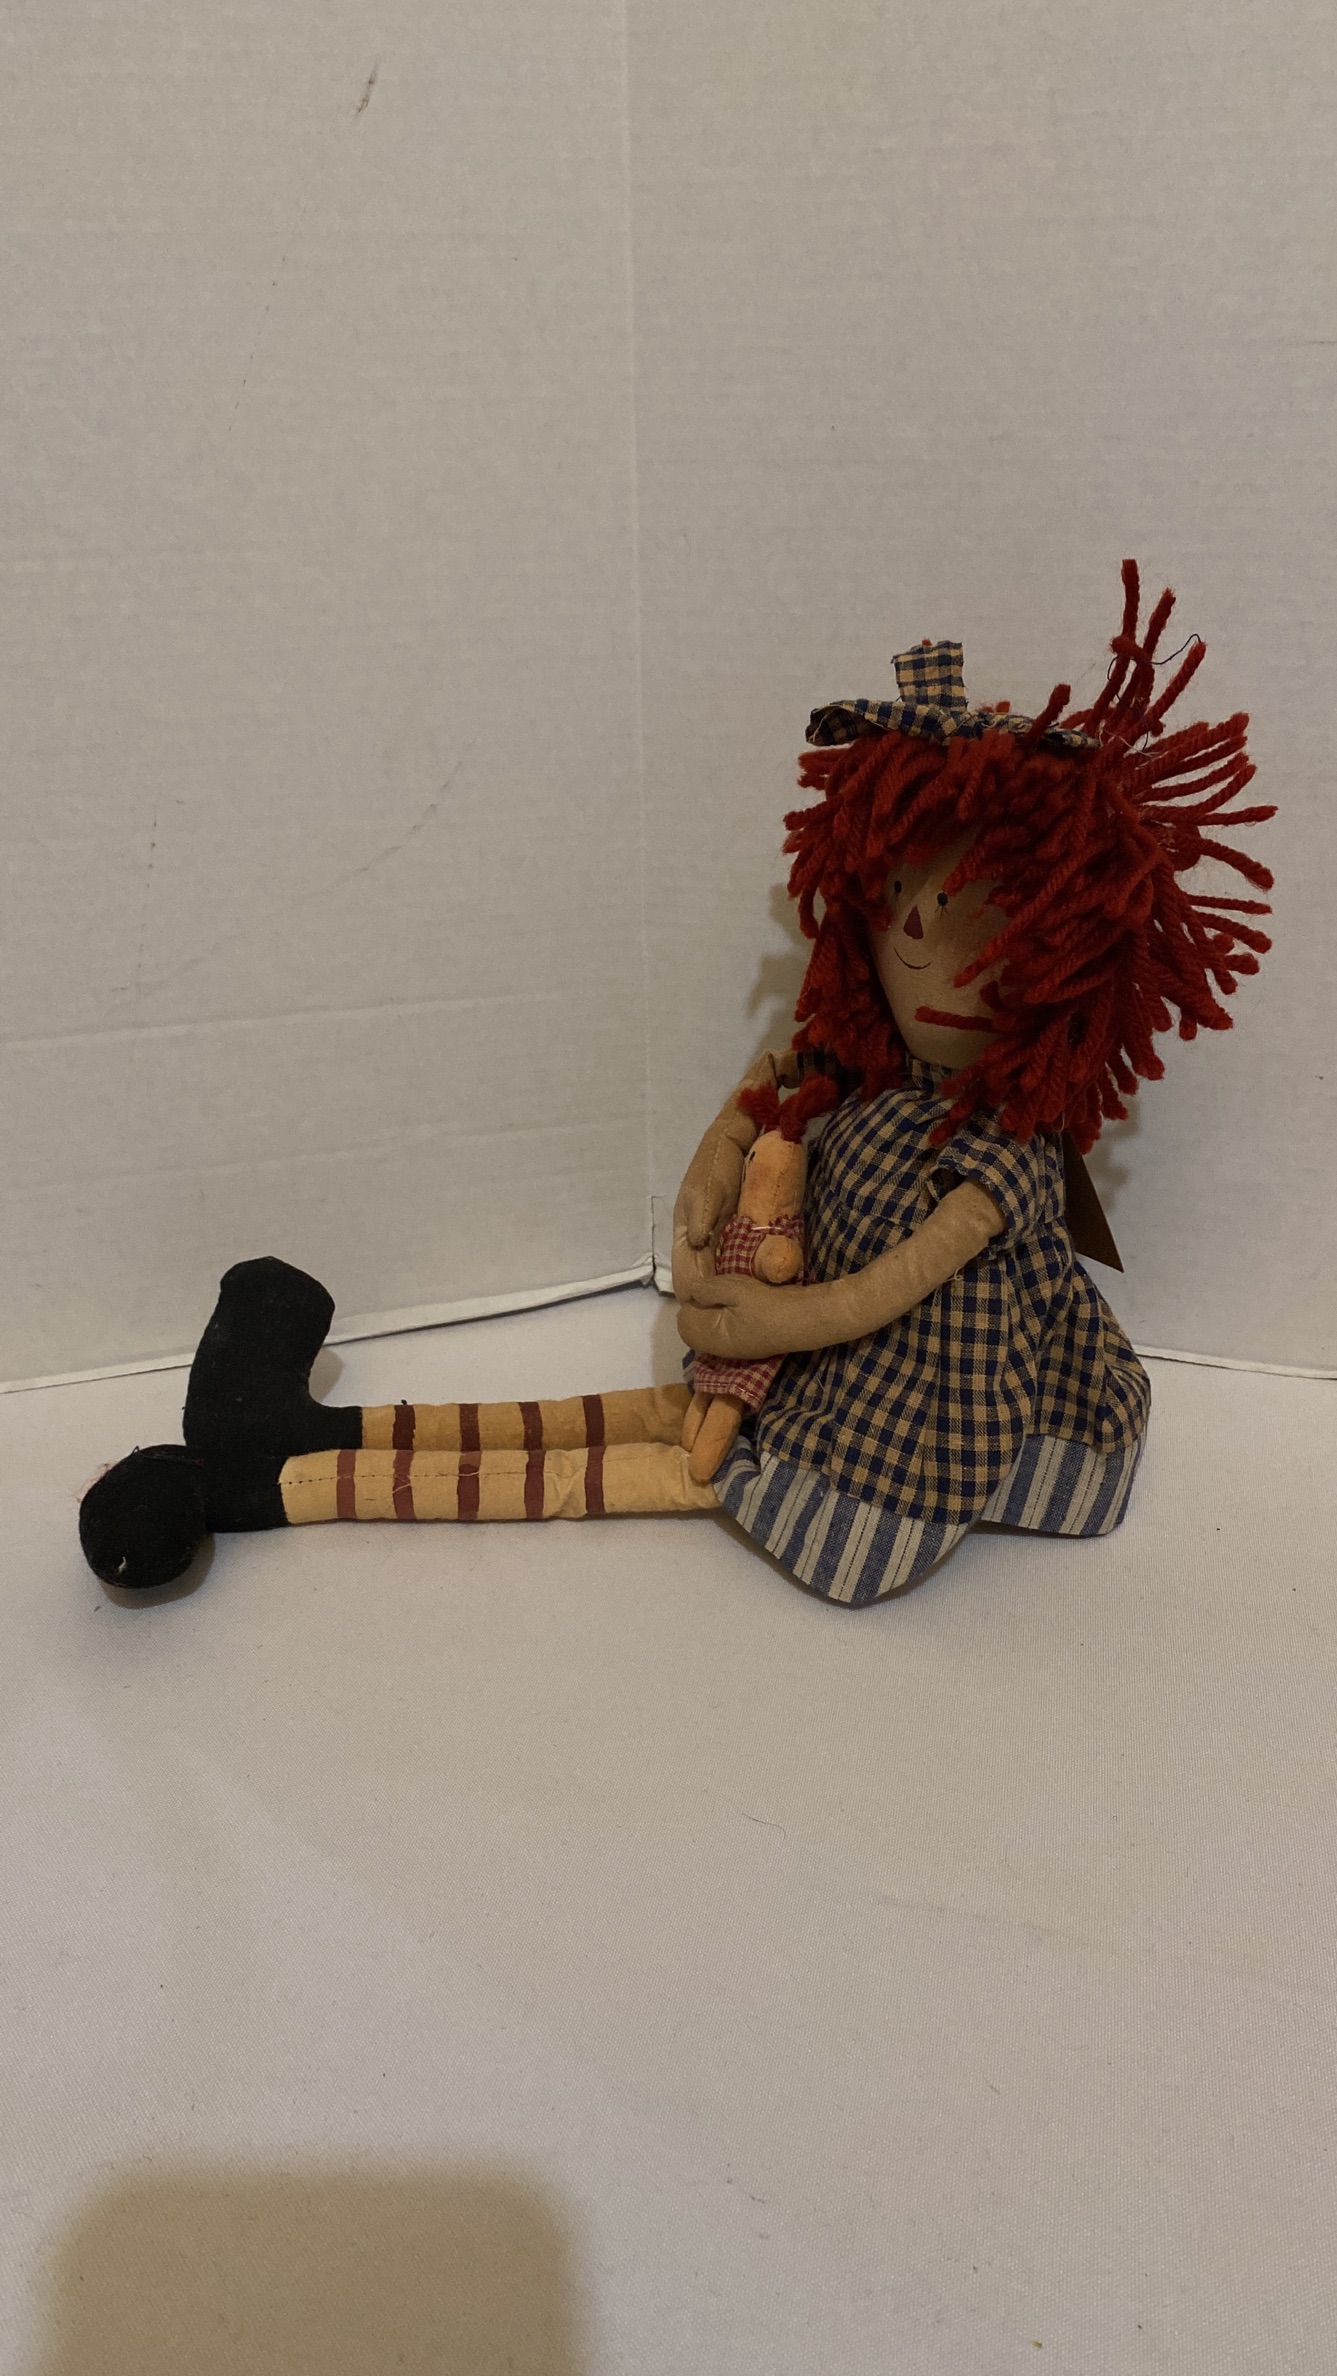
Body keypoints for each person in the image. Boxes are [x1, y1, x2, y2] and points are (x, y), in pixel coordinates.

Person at [78, 564, 1273, 1604]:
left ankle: (274, 1483)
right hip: (783, 1365)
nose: (919, 943)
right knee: (646, 1420)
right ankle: (303, 1432)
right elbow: (755, 1108)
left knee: (655, 1466)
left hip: (896, 1416)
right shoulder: (853, 1071)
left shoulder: (999, 1149)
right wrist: (709, 1190)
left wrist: (761, 1324)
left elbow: (887, 1292)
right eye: (898, 904)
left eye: (975, 918)